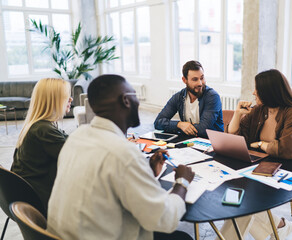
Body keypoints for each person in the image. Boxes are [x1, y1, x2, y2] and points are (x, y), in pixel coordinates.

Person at [47, 74, 195, 240]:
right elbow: (165, 220)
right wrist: (182, 182)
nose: (138, 103)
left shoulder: (77, 136)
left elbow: (107, 184)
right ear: (126, 100)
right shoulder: (124, 153)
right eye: (135, 96)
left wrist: (146, 171)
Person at [221, 69, 292, 240]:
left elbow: (287, 148)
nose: (254, 92)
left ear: (270, 92)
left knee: (241, 201)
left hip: (289, 168)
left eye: (257, 89)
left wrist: (261, 144)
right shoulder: (260, 110)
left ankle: (280, 228)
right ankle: (280, 227)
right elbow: (238, 139)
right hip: (263, 165)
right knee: (238, 199)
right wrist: (237, 114)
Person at [11, 78, 72, 211]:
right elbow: (75, 155)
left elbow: (69, 141)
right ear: (54, 100)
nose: (71, 100)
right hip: (37, 198)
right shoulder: (43, 130)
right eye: (67, 96)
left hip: (23, 192)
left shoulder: (38, 125)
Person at [154, 60, 223, 138]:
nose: (200, 83)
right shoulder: (178, 97)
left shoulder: (212, 96)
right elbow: (158, 122)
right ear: (184, 80)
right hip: (190, 141)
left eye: (202, 78)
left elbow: (203, 129)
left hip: (212, 143)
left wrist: (185, 127)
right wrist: (179, 124)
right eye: (195, 79)